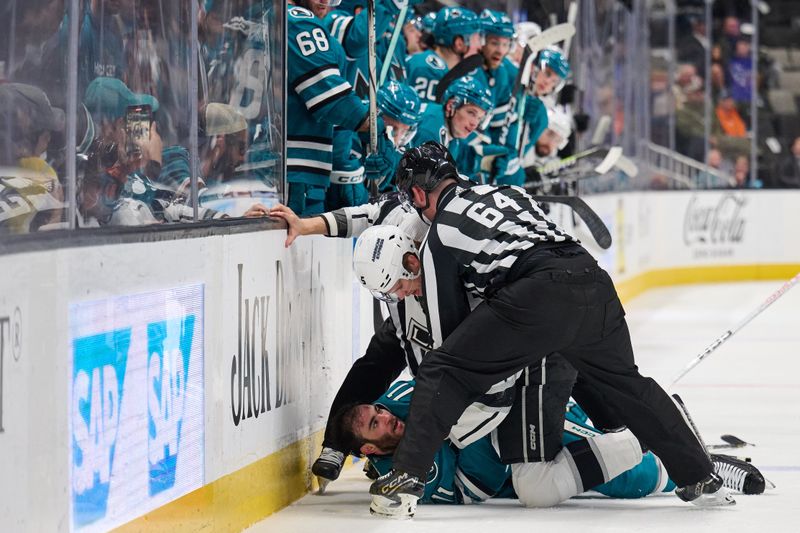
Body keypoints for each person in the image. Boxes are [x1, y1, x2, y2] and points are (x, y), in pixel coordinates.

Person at [367, 141, 734, 518]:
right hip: (592, 278)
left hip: (538, 293)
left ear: (416, 192)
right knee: (626, 384)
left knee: (442, 370)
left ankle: (406, 479)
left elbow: (451, 336)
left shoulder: (438, 235)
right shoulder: (507, 192)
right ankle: (700, 476)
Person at [334, 381, 766, 511]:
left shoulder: (400, 398)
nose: (387, 416)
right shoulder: (405, 479)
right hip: (513, 460)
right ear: (370, 451)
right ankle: (678, 438)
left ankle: (690, 455)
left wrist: (472, 416)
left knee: (635, 479)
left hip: (532, 421)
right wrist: (471, 423)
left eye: (379, 410)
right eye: (376, 424)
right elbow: (478, 483)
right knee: (637, 482)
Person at [405, 7, 481, 102]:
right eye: (476, 39)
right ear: (459, 44)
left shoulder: (426, 63)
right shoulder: (428, 71)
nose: (479, 46)